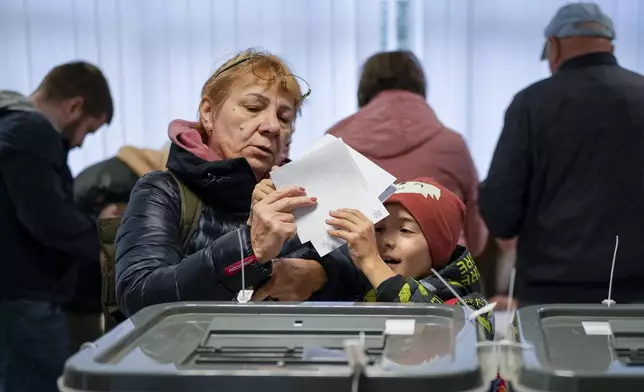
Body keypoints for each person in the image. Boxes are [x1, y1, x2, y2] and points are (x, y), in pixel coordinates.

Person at [115, 49, 361, 316]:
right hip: (193, 357)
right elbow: (139, 298)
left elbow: (365, 278)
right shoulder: (163, 191)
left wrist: (321, 276)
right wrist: (250, 248)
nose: (272, 127)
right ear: (208, 113)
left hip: (291, 355)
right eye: (253, 107)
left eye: (284, 117)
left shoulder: (305, 195)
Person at [479, 3, 644, 305]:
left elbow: (501, 208)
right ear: (611, 45)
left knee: (554, 354)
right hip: (637, 291)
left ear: (553, 46)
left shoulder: (531, 105)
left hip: (552, 292)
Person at [0, 62, 113, 392]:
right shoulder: (30, 132)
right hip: (26, 298)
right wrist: (104, 244)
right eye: (88, 131)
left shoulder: (7, 123)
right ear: (75, 106)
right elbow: (50, 222)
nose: (79, 144)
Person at [327, 51, 487, 258]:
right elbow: (476, 239)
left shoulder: (335, 141)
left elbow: (325, 232)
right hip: (439, 279)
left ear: (364, 88)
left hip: (356, 276)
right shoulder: (453, 145)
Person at [325, 178, 493, 340]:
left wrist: (372, 263)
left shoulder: (470, 304)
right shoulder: (360, 288)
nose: (386, 241)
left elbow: (438, 337)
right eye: (378, 229)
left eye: (405, 230)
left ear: (439, 247)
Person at [67, 145, 169, 351]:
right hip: (81, 293)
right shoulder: (127, 186)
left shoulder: (118, 170)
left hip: (68, 282)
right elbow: (114, 254)